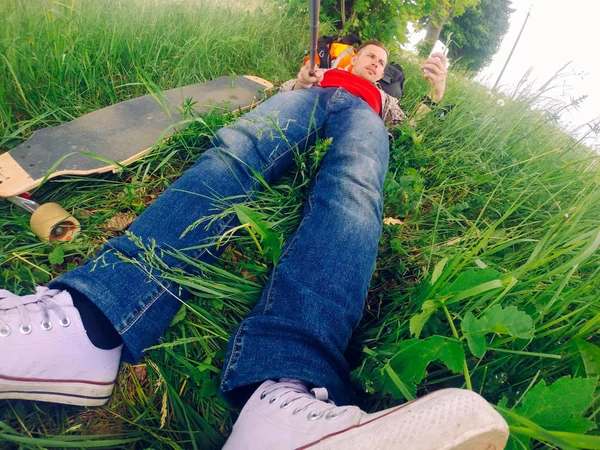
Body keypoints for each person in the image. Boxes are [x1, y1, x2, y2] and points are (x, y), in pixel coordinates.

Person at [0, 41, 509, 449]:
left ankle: (285, 395)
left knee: (354, 189)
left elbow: (418, 130)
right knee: (238, 149)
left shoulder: (386, 103)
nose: (375, 61)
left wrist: (435, 96)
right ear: (349, 57)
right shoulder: (313, 77)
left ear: (384, 74)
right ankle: (89, 324)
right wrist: (301, 81)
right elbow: (284, 92)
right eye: (368, 54)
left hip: (363, 120)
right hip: (310, 98)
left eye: (381, 60)